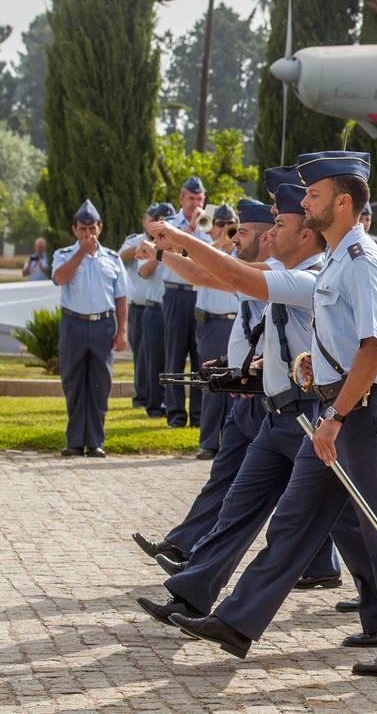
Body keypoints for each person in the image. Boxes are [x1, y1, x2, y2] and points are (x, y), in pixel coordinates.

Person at [166, 150, 377, 677]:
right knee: (293, 521)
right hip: (335, 408)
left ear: (341, 201)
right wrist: (317, 366)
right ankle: (238, 621)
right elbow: (343, 336)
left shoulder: (361, 258)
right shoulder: (337, 259)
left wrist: (334, 413)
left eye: (312, 194)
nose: (304, 200)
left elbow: (376, 346)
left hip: (360, 412)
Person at [130, 197, 275, 565]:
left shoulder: (270, 272)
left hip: (271, 399)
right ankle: (185, 546)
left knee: (295, 491)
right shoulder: (253, 269)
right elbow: (208, 278)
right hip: (249, 392)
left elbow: (210, 274)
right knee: (225, 476)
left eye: (242, 231)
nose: (235, 237)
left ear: (266, 236)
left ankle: (326, 564)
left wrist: (171, 247)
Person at [51, 200, 128, 457]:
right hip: (73, 323)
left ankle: (95, 441)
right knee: (73, 383)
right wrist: (81, 253)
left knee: (100, 384)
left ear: (100, 228)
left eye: (92, 228)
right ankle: (74, 442)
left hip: (103, 325)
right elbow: (59, 278)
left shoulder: (113, 259)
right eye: (83, 229)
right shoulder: (63, 255)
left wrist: (122, 331)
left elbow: (121, 298)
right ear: (74, 230)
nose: (88, 234)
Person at [191, 204, 242, 458]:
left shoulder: (243, 252)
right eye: (220, 224)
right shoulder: (207, 249)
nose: (225, 229)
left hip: (237, 323)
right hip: (212, 323)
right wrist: (221, 244)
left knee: (237, 383)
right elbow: (195, 263)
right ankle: (208, 442)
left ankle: (232, 442)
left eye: (230, 223)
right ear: (213, 226)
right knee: (212, 382)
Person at [161, 176, 211, 429]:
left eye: (200, 198)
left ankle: (199, 416)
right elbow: (167, 251)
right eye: (191, 198)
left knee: (200, 356)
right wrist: (190, 231)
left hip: (201, 292)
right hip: (176, 293)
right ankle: (176, 414)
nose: (196, 203)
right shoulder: (170, 225)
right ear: (181, 199)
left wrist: (204, 227)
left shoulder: (211, 225)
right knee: (175, 355)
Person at [118, 205, 166, 411]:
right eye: (150, 218)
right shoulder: (135, 239)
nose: (153, 221)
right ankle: (142, 395)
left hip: (163, 305)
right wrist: (144, 243)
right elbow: (120, 258)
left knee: (162, 355)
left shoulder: (171, 241)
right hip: (139, 307)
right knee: (141, 354)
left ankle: (160, 396)